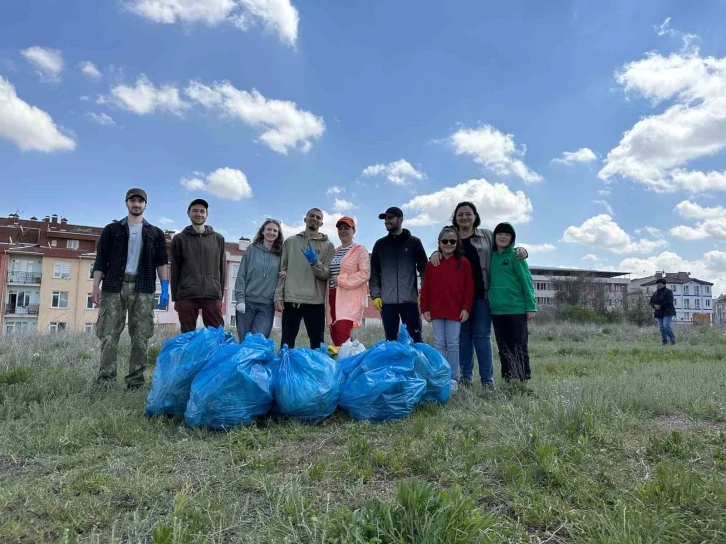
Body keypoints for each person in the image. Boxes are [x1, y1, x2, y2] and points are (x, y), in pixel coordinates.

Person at [429, 202, 528, 388]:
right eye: (460, 214)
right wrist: (435, 252)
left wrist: (521, 250)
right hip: (459, 300)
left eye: (468, 214)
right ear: (455, 217)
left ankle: (487, 380)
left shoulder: (487, 235)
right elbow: (444, 250)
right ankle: (466, 377)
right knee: (463, 339)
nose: (464, 217)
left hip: (482, 295)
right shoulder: (452, 237)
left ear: (475, 216)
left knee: (482, 337)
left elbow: (503, 248)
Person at [92, 188, 169, 389]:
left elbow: (162, 262)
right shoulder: (112, 230)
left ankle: (136, 381)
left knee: (141, 336)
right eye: (132, 200)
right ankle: (106, 380)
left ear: (145, 205)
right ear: (126, 203)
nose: (136, 204)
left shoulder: (155, 233)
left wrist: (165, 288)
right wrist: (95, 286)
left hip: (143, 288)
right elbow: (101, 260)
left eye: (140, 201)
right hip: (113, 287)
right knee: (109, 335)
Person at [419, 226, 473, 391]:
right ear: (439, 243)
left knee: (453, 343)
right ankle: (442, 376)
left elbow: (469, 288)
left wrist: (466, 308)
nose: (448, 244)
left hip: (455, 311)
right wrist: (425, 308)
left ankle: (453, 378)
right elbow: (426, 287)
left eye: (452, 241)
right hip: (436, 311)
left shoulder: (463, 263)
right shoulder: (433, 263)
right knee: (439, 344)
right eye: (445, 241)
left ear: (457, 243)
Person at [274, 208, 335, 349]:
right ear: (305, 219)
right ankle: (285, 370)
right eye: (311, 216)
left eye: (318, 217)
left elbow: (325, 275)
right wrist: (278, 296)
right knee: (287, 344)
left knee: (317, 345)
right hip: (292, 299)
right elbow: (282, 271)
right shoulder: (290, 242)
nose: (314, 218)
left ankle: (316, 371)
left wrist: (315, 262)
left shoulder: (328, 246)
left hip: (315, 301)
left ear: (321, 223)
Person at [370, 206, 428, 343]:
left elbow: (424, 268)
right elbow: (374, 272)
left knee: (415, 340)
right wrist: (376, 295)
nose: (386, 221)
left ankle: (416, 364)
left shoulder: (414, 242)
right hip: (387, 302)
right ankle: (393, 365)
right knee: (391, 341)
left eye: (390, 218)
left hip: (410, 301)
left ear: (400, 219)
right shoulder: (380, 244)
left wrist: (424, 291)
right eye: (385, 219)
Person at [488, 222, 536, 383]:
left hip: (516, 309)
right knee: (503, 348)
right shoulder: (490, 257)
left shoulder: (517, 257)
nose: (503, 237)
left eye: (507, 235)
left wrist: (531, 306)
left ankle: (523, 379)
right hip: (496, 310)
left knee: (519, 346)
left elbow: (527, 281)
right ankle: (508, 378)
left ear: (512, 238)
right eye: (500, 234)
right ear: (495, 237)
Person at [170, 199, 226, 333]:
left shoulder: (218, 239)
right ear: (188, 213)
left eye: (202, 211)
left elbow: (222, 269)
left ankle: (215, 355)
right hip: (186, 294)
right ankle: (190, 355)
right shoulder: (179, 239)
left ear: (207, 214)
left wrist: (220, 295)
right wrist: (175, 298)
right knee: (188, 335)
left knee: (217, 335)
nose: (198, 214)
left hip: (211, 294)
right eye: (194, 210)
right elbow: (175, 270)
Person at [234, 219, 283, 340]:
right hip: (247, 303)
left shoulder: (281, 253)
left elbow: (285, 274)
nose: (271, 232)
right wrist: (240, 299)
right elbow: (241, 275)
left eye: (275, 230)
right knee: (244, 342)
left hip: (267, 305)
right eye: (269, 229)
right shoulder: (251, 250)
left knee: (258, 342)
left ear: (278, 234)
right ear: (262, 231)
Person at [326, 216, 371, 350]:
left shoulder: (359, 250)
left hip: (348, 300)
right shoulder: (335, 251)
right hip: (332, 297)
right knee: (335, 335)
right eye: (340, 228)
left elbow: (365, 273)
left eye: (347, 228)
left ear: (353, 230)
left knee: (342, 335)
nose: (343, 231)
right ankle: (343, 364)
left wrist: (341, 280)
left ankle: (347, 366)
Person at [650, 278, 676, 345]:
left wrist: (660, 306)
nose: (658, 285)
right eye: (657, 284)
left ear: (664, 284)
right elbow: (651, 301)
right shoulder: (655, 293)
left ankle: (672, 339)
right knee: (661, 328)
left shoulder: (668, 292)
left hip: (668, 311)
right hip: (659, 312)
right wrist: (654, 305)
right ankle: (664, 341)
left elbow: (669, 301)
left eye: (660, 284)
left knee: (666, 326)